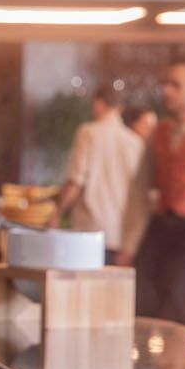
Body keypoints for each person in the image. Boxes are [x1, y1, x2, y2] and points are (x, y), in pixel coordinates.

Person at [120, 54, 185, 328]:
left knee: (182, 298)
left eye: (175, 85)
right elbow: (139, 191)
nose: (166, 90)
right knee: (148, 299)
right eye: (164, 84)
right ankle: (160, 366)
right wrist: (127, 247)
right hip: (162, 224)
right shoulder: (160, 132)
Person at [48, 83, 143, 261]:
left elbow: (76, 181)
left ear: (98, 103)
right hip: (119, 235)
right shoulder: (134, 142)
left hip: (89, 232)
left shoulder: (88, 133)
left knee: (85, 287)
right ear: (119, 107)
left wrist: (56, 213)